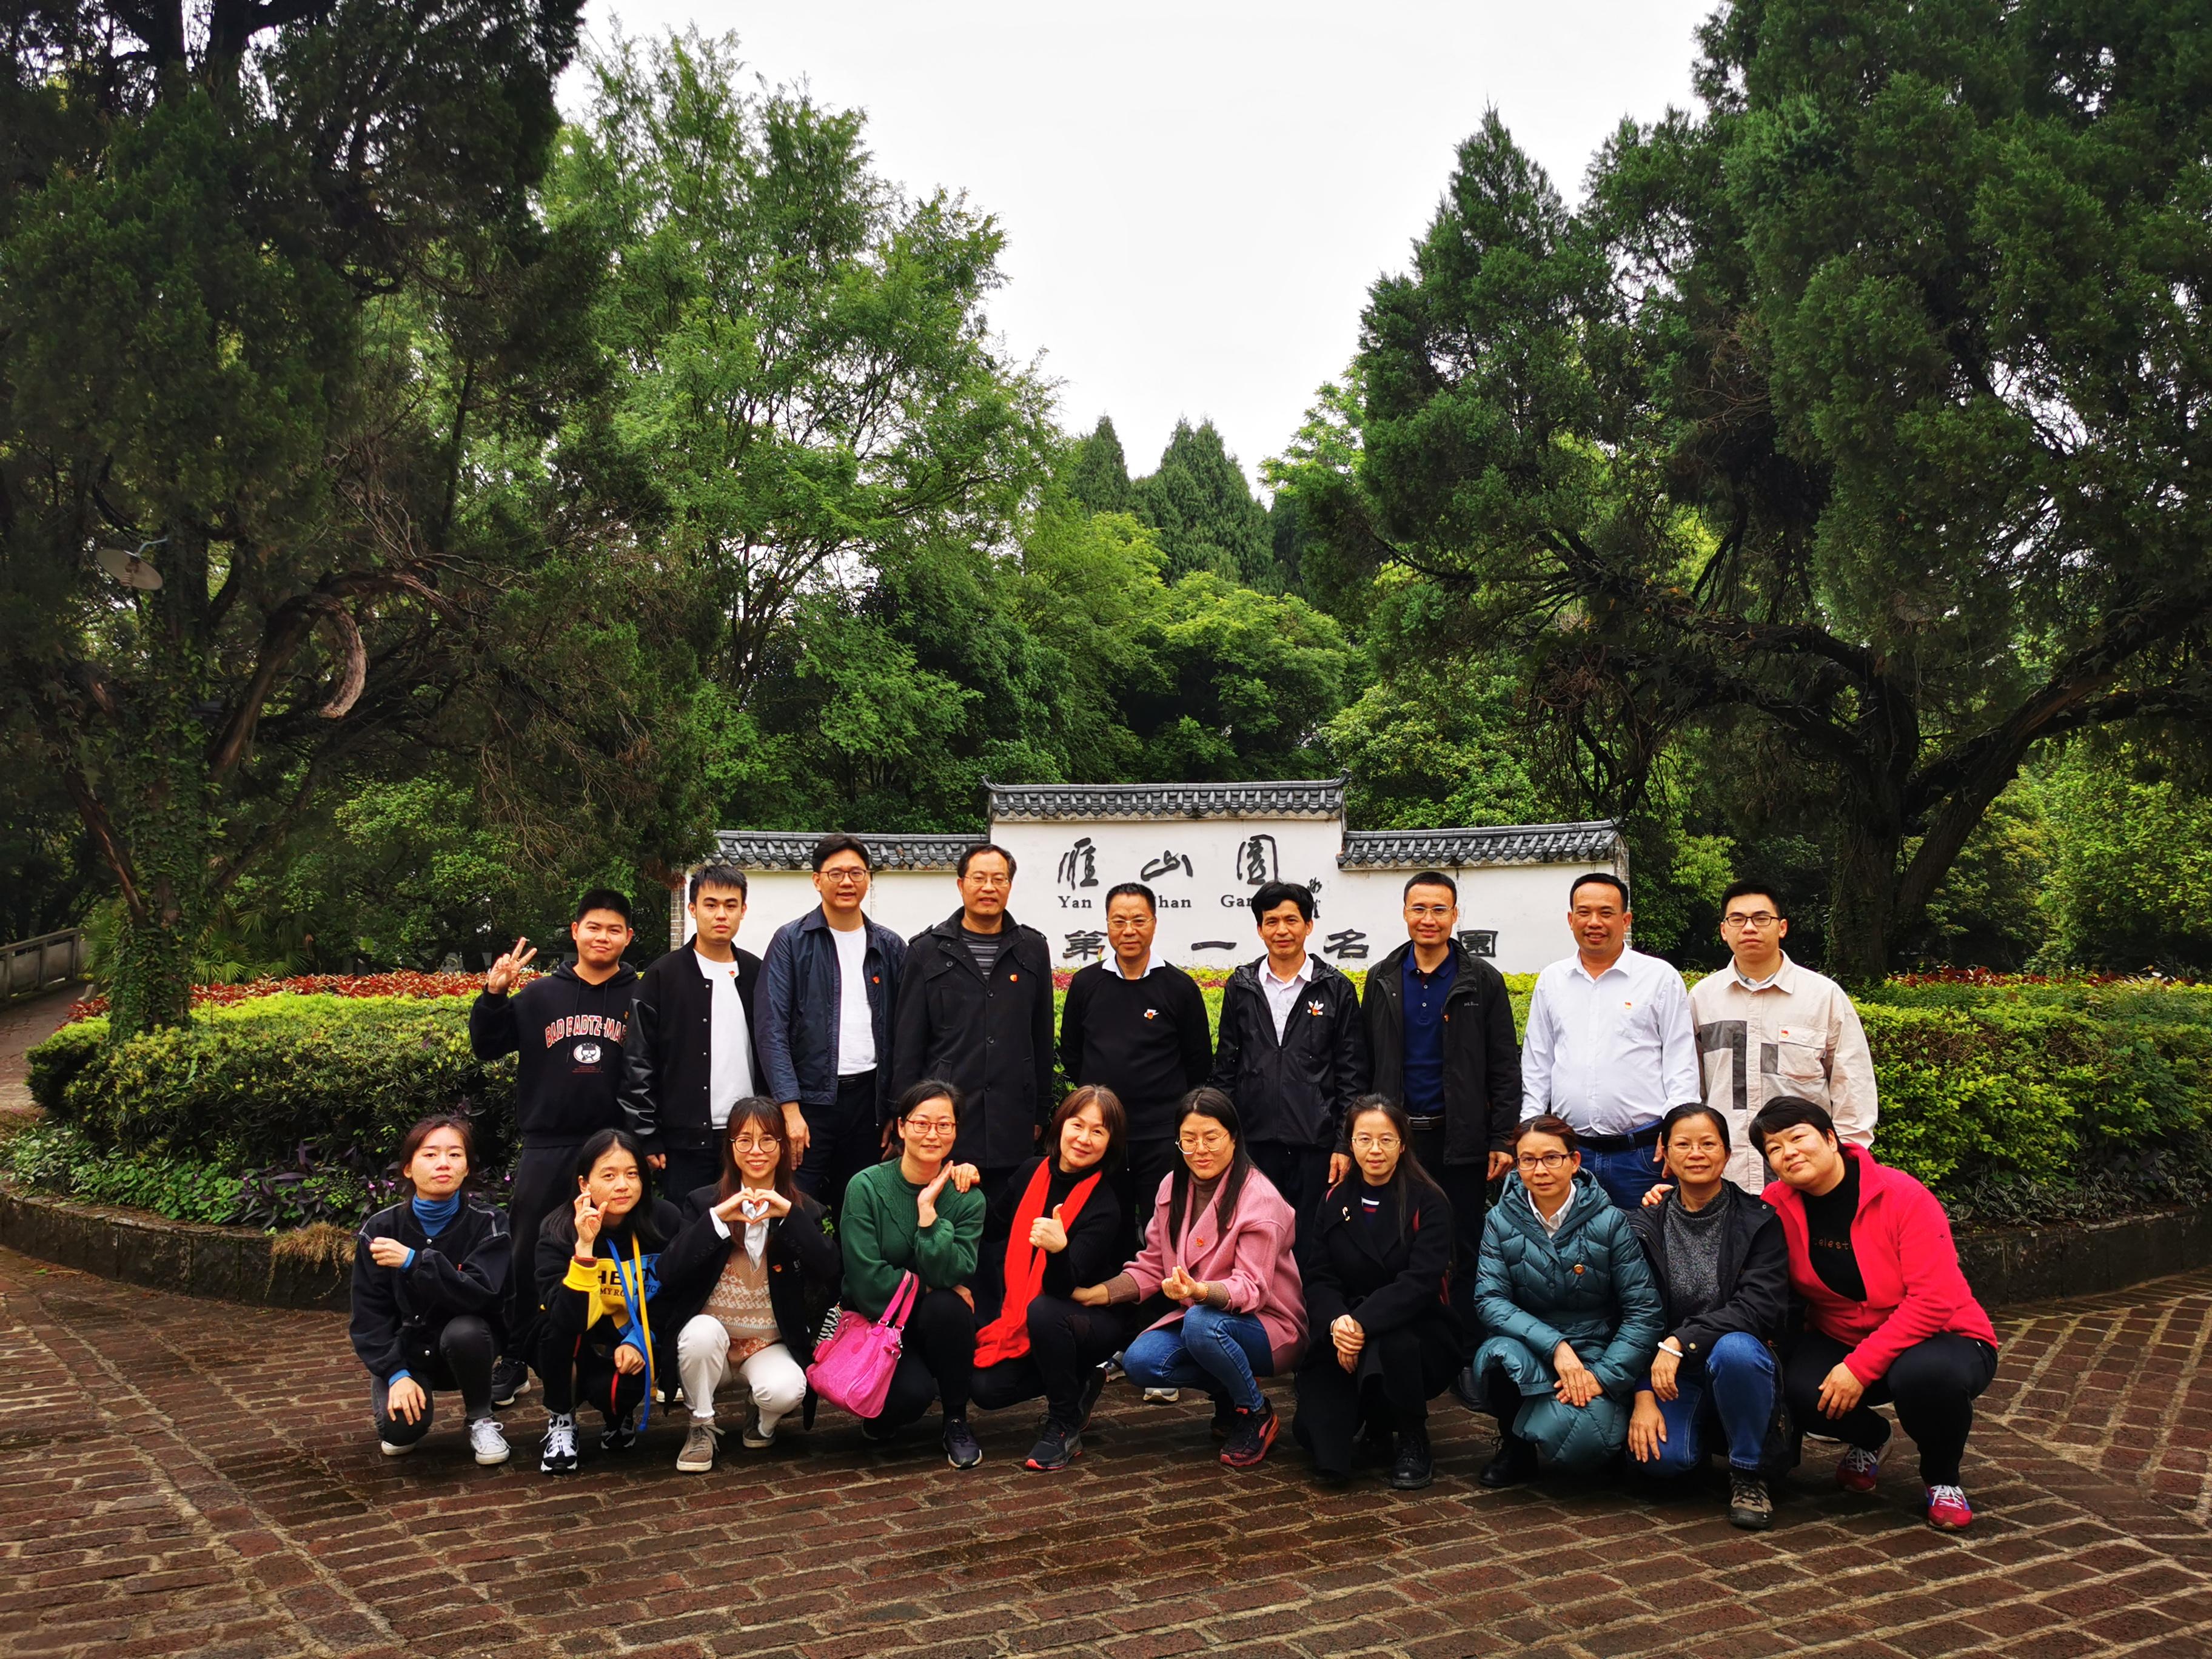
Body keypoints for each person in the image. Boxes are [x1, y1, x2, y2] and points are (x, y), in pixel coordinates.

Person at [1754, 1097, 2000, 1531]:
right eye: (1774, 1148)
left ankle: (1942, 1477)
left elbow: (1933, 1299)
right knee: (1793, 1385)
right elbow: (1733, 1230)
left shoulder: (1903, 1196)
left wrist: (1859, 1367)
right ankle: (1872, 1438)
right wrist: (1669, 1201)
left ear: (1831, 1138)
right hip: (1842, 1334)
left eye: (1798, 1137)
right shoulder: (1777, 1203)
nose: (1788, 1152)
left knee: (1926, 1377)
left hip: (1941, 1334)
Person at [470, 886, 638, 1407]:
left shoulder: (641, 996)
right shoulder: (541, 995)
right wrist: (494, 995)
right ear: (575, 931)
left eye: (614, 930)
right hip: (548, 1144)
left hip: (614, 1149)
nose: (602, 937)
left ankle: (626, 1350)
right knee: (525, 1252)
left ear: (629, 937)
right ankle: (516, 1355)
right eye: (594, 927)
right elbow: (487, 1046)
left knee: (618, 1250)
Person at [1079, 1089, 1306, 1470]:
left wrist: (1199, 1291)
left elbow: (1252, 1288)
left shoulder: (1259, 1198)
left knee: (1202, 1323)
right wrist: (1097, 1294)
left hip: (1268, 1325)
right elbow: (1153, 1263)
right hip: (1203, 1323)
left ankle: (1255, 1412)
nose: (1200, 1149)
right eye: (1189, 1139)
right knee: (1141, 1362)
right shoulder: (1172, 1185)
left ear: (1233, 1137)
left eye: (1211, 1137)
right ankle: (1230, 1395)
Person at [1468, 1116, 1665, 1487]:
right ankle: (1516, 1448)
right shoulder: (1499, 1220)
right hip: (1530, 1345)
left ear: (1574, 1161)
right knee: (1498, 1356)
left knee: (1587, 1448)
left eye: (1551, 1158)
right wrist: (1556, 1346)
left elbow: (1644, 1311)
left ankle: (1600, 1432)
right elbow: (1491, 1300)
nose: (1540, 1170)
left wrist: (1601, 1377)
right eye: (1528, 1160)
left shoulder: (1611, 1221)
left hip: (1597, 1348)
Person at [1361, 870, 1520, 1320]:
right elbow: (1363, 1060)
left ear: (1455, 915)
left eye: (1438, 909)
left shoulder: (1483, 980)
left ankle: (1464, 1343)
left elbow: (1504, 1065)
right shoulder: (1382, 978)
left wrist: (1501, 1138)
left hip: (1460, 1139)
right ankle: (1405, 1337)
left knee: (1465, 1244)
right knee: (1396, 1242)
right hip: (1398, 1140)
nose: (1428, 919)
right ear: (1405, 913)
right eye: (1419, 909)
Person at [1624, 1104, 1791, 1530]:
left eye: (1708, 1144)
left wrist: (1681, 1341)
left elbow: (1756, 1308)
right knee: (1661, 1462)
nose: (1696, 1153)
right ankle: (1703, 1435)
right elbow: (1632, 1313)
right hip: (1669, 1373)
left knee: (1735, 1350)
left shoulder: (1760, 1221)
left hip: (1737, 1359)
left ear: (1728, 1153)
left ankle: (1749, 1472)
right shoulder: (1644, 1224)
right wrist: (1643, 1391)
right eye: (1683, 1144)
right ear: (1665, 1154)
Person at [658, 1098, 843, 1472]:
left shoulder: (803, 1209)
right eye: (744, 1140)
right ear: (730, 1147)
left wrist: (789, 1217)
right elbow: (668, 1270)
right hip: (712, 1343)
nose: (756, 1151)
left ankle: (761, 1418)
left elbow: (831, 1270)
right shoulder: (704, 1203)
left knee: (786, 1390)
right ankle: (701, 1425)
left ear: (783, 1147)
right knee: (699, 1334)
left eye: (767, 1140)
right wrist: (716, 1221)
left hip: (766, 1344)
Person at [1292, 1097, 1465, 1490]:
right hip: (1346, 1325)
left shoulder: (1428, 1200)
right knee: (1312, 1434)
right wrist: (1338, 1323)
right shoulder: (1334, 1200)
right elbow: (1319, 1277)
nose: (1375, 1150)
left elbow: (1420, 1282)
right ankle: (1375, 1421)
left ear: (1402, 1144)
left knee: (1392, 1343)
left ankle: (1412, 1435)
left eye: (1386, 1139)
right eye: (1364, 1139)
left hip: (1418, 1329)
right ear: (1350, 1143)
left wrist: (1361, 1324)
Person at [969, 1085, 1136, 1470]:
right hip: (1032, 1317)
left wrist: (1058, 1249)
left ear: (1110, 1143)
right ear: (1060, 1125)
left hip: (1091, 1319)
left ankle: (1063, 1424)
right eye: (1078, 1125)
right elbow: (992, 1228)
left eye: (1098, 1131)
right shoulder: (1031, 1172)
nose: (1084, 1138)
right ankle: (1079, 1380)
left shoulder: (1104, 1203)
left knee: (1045, 1309)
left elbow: (1061, 1288)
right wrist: (968, 1183)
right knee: (986, 1390)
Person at [1520, 873, 1699, 1208]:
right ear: (1570, 919)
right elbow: (1537, 1062)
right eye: (1584, 913)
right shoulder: (1552, 980)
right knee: (1571, 1240)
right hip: (1571, 1154)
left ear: (1625, 920)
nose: (1594, 922)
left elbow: (1681, 1061)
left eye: (1606, 913)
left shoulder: (1659, 977)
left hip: (1644, 1155)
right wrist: (1530, 1132)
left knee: (1645, 1238)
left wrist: (1679, 1131)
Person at [890, 845, 1056, 1203]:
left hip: (1012, 1116)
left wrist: (1041, 1110)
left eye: (999, 879)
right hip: (945, 1120)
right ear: (961, 884)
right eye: (979, 878)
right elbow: (907, 1046)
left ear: (1009, 886)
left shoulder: (1032, 949)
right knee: (946, 1215)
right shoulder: (927, 952)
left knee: (1006, 1217)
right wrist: (903, 1115)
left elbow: (1041, 1038)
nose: (988, 888)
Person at [757, 834, 907, 1223]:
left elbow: (906, 1033)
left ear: (868, 878)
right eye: (836, 873)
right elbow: (772, 1029)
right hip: (809, 1103)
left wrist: (895, 1109)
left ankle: (851, 1268)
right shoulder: (791, 941)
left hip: (869, 1102)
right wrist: (790, 1109)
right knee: (794, 1209)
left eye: (856, 873)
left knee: (861, 1212)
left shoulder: (890, 946)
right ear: (817, 880)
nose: (847, 882)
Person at [1692, 881, 1879, 1193]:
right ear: (1724, 930)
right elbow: (1692, 1089)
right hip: (1727, 1175)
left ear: (1782, 927)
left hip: (1806, 1175)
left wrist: (1847, 1161)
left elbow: (1853, 1087)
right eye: (1737, 919)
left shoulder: (1822, 997)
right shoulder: (1702, 999)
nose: (1749, 927)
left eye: (1761, 918)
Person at [840, 1079, 989, 1467]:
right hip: (877, 1322)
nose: (932, 1134)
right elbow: (867, 1282)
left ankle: (955, 1419)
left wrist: (928, 1216)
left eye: (944, 1125)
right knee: (909, 1398)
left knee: (950, 1306)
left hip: (931, 1323)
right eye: (922, 1123)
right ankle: (886, 1410)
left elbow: (955, 1271)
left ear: (956, 1131)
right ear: (902, 1127)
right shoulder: (865, 1187)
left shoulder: (968, 1197)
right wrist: (928, 1288)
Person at [349, 1115, 512, 1466]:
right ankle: (401, 1389)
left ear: (467, 1167)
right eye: (430, 1154)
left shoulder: (489, 1222)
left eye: (455, 1154)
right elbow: (369, 1315)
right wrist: (395, 1373)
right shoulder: (380, 1229)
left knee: (466, 1330)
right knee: (400, 1432)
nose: (443, 1163)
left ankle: (481, 1418)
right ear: (408, 1168)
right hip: (407, 1353)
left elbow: (483, 1293)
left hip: (466, 1349)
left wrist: (414, 1261)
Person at [1058, 882, 1212, 1245]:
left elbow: (1199, 1061)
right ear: (1107, 925)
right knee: (1105, 1229)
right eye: (1119, 921)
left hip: (1161, 1135)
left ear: (1154, 923)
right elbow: (1072, 1053)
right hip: (1102, 1133)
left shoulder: (1178, 987)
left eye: (1139, 920)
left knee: (1167, 1228)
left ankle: (1165, 1285)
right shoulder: (1086, 984)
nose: (1129, 930)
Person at [1209, 881, 1369, 1225]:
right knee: (1258, 1232)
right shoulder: (1242, 986)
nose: (1282, 930)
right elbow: (1226, 1068)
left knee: (1311, 1238)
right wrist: (1226, 1137)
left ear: (1308, 925)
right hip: (1254, 1143)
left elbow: (1351, 1074)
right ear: (1260, 929)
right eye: (1272, 921)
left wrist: (1344, 1144)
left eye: (1291, 920)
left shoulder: (1335, 988)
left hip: (1317, 1144)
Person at [532, 1128, 685, 1476]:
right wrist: (585, 1250)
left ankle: (619, 1416)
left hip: (632, 1334)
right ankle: (561, 1418)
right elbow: (568, 1318)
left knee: (617, 1392)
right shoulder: (558, 1230)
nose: (623, 1186)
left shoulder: (666, 1220)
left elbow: (677, 1294)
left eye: (632, 1174)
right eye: (609, 1175)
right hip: (576, 1337)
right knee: (555, 1333)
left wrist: (641, 1340)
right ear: (584, 1183)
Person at [622, 863, 765, 1201]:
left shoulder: (757, 972)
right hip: (684, 1140)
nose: (721, 915)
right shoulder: (663, 975)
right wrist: (647, 1134)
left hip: (749, 1136)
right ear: (692, 908)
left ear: (743, 911)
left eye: (730, 905)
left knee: (749, 1225)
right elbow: (638, 1060)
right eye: (710, 904)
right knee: (688, 1226)